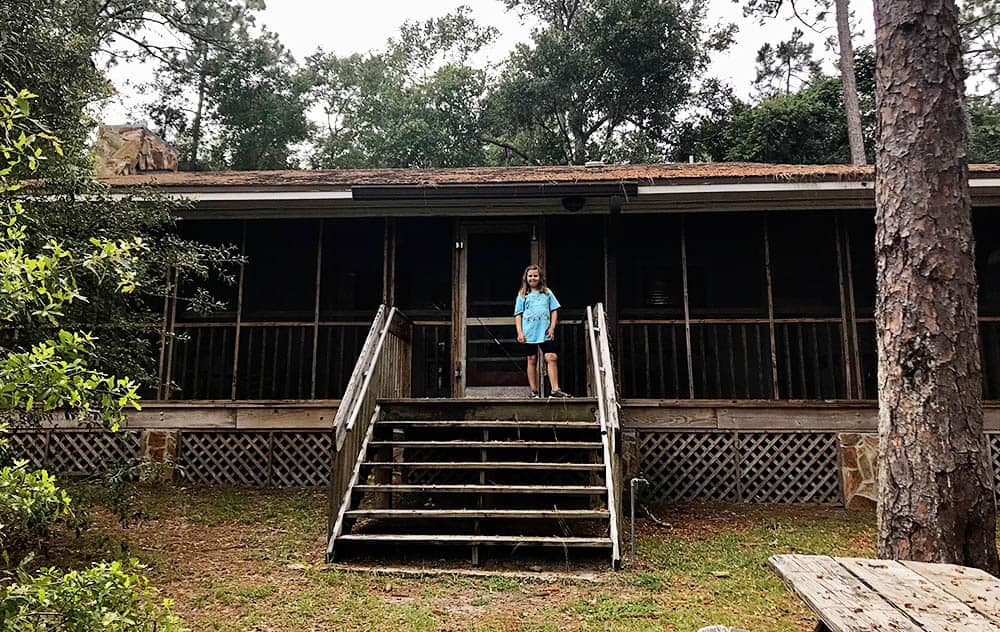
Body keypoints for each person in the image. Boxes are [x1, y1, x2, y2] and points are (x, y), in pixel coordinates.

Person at [514, 264, 570, 398]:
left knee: (551, 357)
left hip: (545, 332)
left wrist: (552, 327)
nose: (533, 278)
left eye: (535, 276)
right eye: (530, 276)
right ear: (526, 278)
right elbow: (518, 314)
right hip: (529, 333)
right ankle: (534, 391)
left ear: (540, 278)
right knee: (532, 359)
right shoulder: (523, 294)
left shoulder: (547, 292)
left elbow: (554, 310)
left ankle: (555, 389)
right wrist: (520, 332)